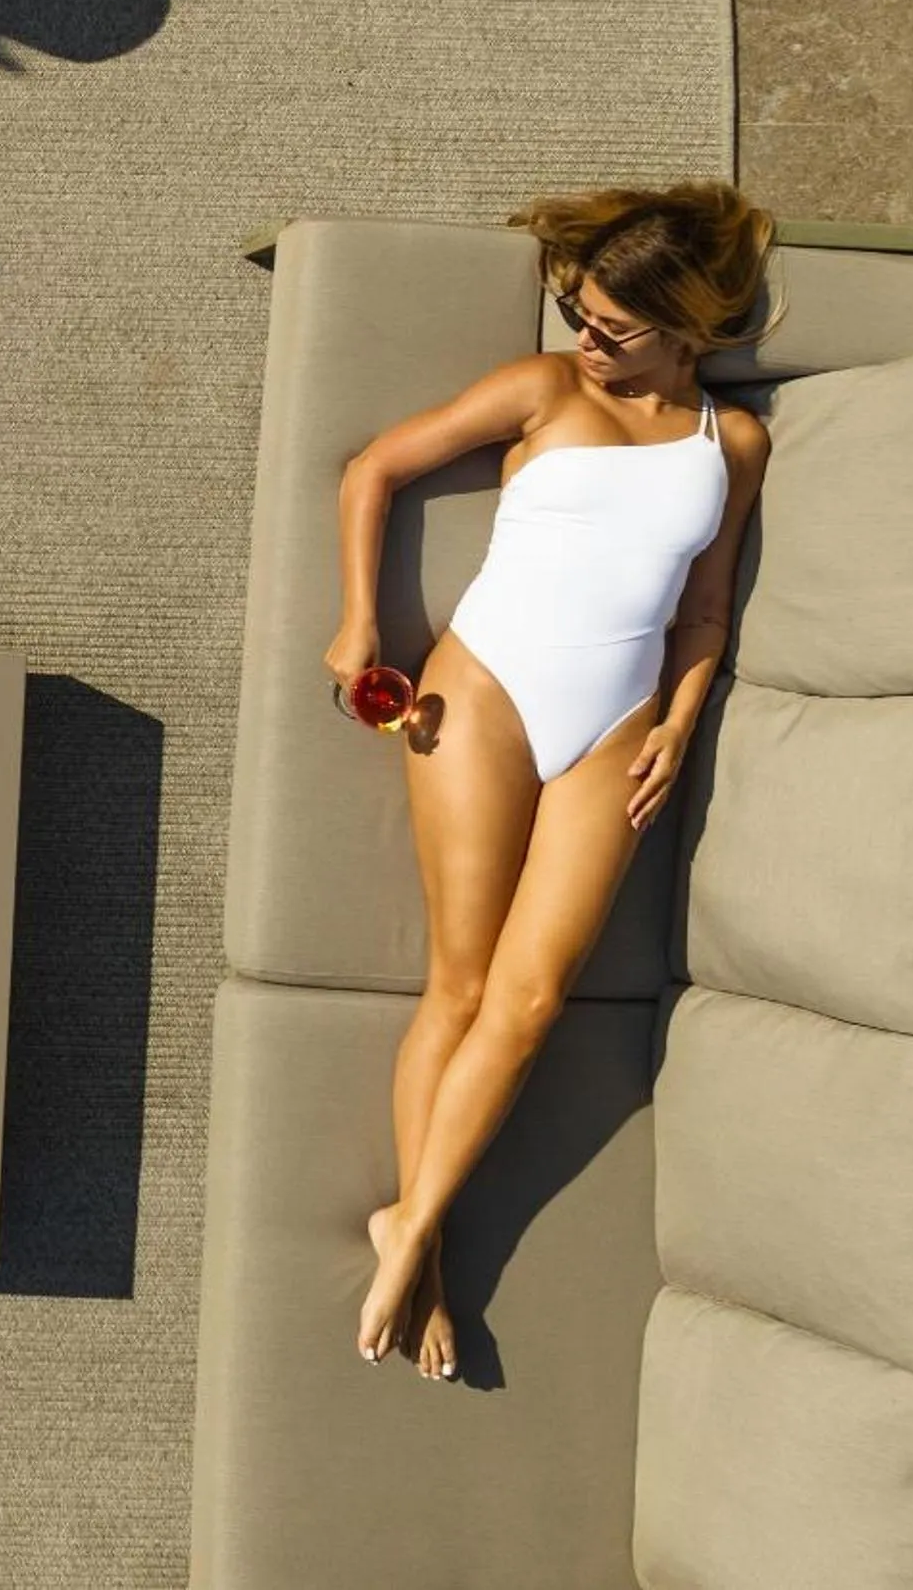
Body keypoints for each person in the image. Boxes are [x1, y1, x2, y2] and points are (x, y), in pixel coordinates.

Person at [323, 182, 775, 1377]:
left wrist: (679, 722)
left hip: (615, 729)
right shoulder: (543, 389)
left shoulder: (730, 442)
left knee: (531, 1003)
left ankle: (407, 1225)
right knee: (462, 984)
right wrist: (357, 625)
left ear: (687, 324)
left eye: (612, 324)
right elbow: (373, 468)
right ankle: (422, 1247)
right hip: (477, 697)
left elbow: (705, 612)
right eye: (576, 308)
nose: (585, 335)